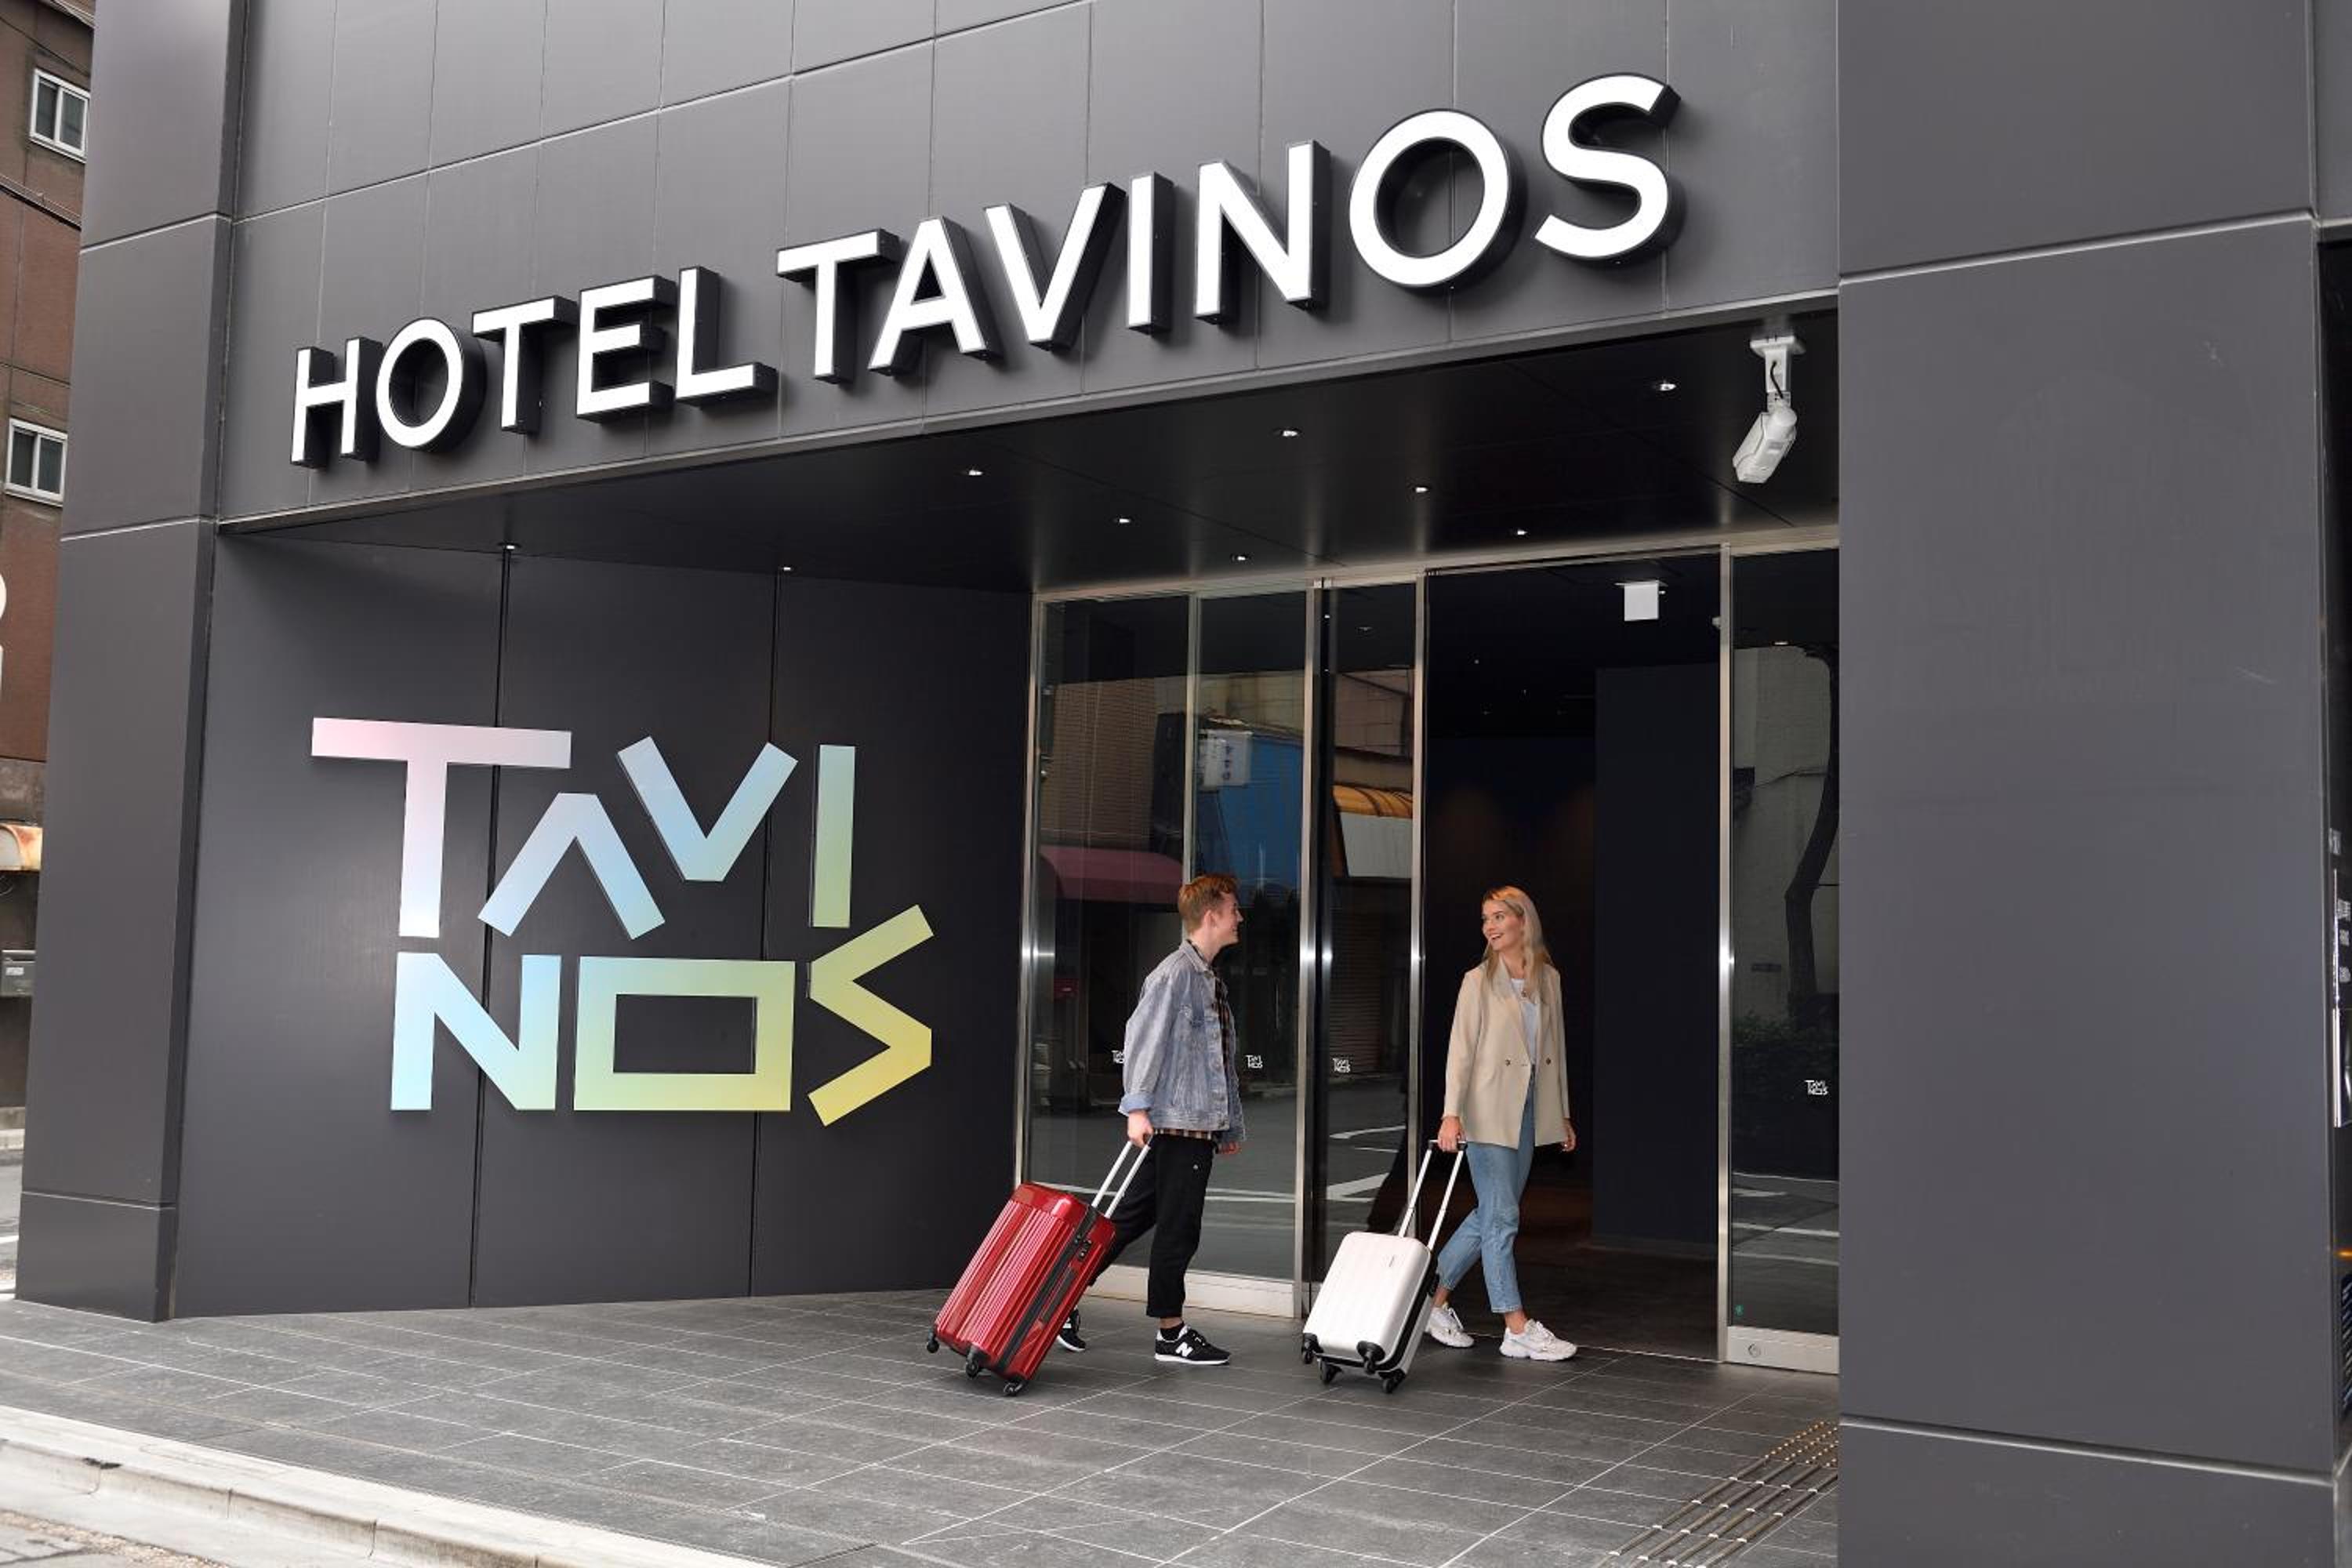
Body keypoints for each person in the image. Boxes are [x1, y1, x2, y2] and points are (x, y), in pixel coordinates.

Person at [1057, 872, 1246, 1367]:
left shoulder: (1208, 979)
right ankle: (1171, 1333)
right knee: (1178, 1228)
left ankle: (1057, 1300)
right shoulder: (1174, 976)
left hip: (1192, 1125)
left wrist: (1227, 1125)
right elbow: (1143, 1040)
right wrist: (1136, 1109)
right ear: (1212, 916)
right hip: (1178, 1126)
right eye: (1233, 910)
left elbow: (1218, 1061)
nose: (1239, 918)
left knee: (1125, 1221)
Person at [1425, 885, 1579, 1361]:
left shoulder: (1548, 978)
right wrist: (1451, 1113)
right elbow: (1460, 1050)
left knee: (1492, 1214)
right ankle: (1515, 1325)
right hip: (1487, 1109)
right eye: (1485, 919)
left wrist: (1561, 1112)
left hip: (1529, 1110)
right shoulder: (1477, 981)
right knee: (1503, 1217)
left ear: (1522, 921)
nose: (1489, 926)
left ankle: (1431, 1300)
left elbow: (1555, 1052)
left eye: (1498, 917)